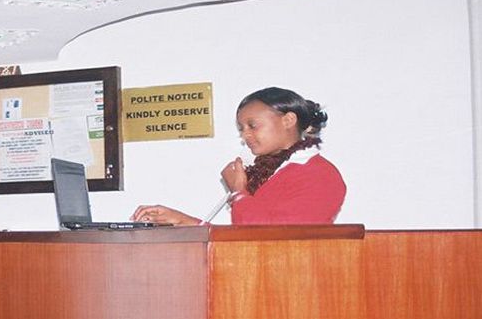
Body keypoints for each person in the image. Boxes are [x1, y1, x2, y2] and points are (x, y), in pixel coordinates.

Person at [131, 87, 346, 225]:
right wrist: (179, 222)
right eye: (241, 128)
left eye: (252, 125)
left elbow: (269, 240)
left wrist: (238, 192)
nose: (245, 135)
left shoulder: (319, 174)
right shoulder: (267, 172)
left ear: (288, 120)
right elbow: (242, 240)